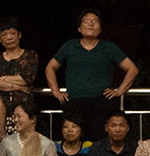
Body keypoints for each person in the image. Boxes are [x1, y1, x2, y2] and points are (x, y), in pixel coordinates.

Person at [46, 9, 137, 141]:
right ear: (79, 28)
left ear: (100, 29)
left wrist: (120, 91)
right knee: (72, 141)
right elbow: (50, 67)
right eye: (87, 21)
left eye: (95, 22)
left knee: (100, 142)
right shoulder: (70, 46)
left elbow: (132, 69)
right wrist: (55, 91)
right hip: (74, 102)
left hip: (101, 102)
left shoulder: (109, 47)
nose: (91, 24)